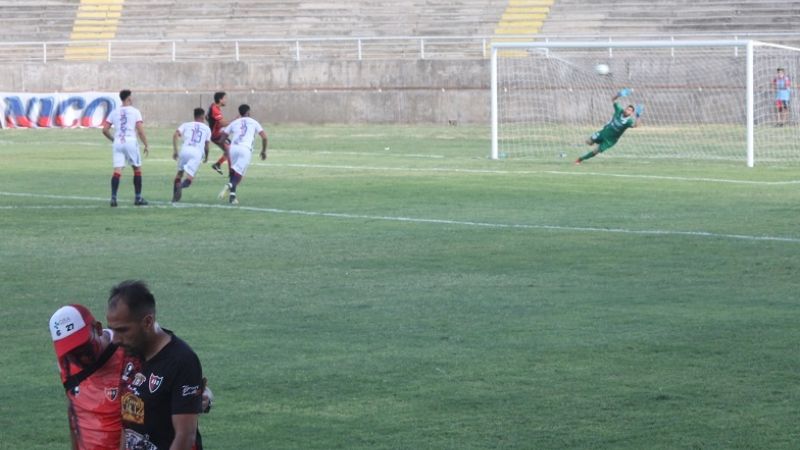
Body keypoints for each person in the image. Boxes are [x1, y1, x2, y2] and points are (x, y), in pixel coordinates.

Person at [49, 304, 214, 450]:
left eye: (83, 348)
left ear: (98, 328)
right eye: (71, 353)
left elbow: (183, 382)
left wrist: (205, 397)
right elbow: (74, 412)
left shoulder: (133, 350)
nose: (79, 358)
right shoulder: (66, 365)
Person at [106, 280, 206, 450]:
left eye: (122, 330)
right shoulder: (130, 353)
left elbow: (185, 437)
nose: (115, 339)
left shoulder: (181, 360)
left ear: (147, 322)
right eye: (112, 330)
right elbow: (128, 426)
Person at [102, 89, 149, 207]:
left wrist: (113, 139)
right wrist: (146, 144)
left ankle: (113, 198)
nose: (132, 99)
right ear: (128, 98)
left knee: (117, 171)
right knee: (137, 169)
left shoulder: (114, 112)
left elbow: (104, 130)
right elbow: (140, 130)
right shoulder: (135, 112)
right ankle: (138, 198)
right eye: (131, 97)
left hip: (118, 142)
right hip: (130, 141)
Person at [217, 104, 268, 205]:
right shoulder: (253, 122)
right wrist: (263, 151)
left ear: (240, 113)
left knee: (233, 172)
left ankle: (232, 197)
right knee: (239, 175)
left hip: (233, 148)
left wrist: (226, 148)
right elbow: (264, 137)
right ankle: (229, 185)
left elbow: (222, 139)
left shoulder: (235, 122)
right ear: (248, 112)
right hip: (245, 149)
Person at [575, 89, 639, 165]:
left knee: (596, 151)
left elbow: (635, 125)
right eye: (627, 108)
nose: (627, 110)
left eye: (630, 110)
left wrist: (638, 116)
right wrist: (619, 94)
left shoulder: (629, 121)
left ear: (631, 113)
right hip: (604, 132)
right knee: (588, 142)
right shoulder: (619, 110)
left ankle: (580, 159)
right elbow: (613, 99)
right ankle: (594, 142)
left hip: (610, 140)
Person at [172, 107, 212, 202]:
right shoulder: (207, 129)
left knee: (179, 174)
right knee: (189, 179)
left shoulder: (186, 125)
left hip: (184, 150)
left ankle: (174, 198)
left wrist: (175, 151)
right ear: (203, 116)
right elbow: (206, 146)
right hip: (196, 152)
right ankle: (180, 186)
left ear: (194, 116)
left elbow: (175, 135)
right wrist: (206, 157)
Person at [208, 91, 230, 175]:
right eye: (225, 98)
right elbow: (223, 123)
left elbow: (207, 117)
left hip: (218, 133)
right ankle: (231, 173)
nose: (226, 100)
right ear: (220, 100)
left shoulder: (213, 106)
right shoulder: (215, 109)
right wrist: (235, 121)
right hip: (216, 135)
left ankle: (218, 164)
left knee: (229, 150)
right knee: (229, 151)